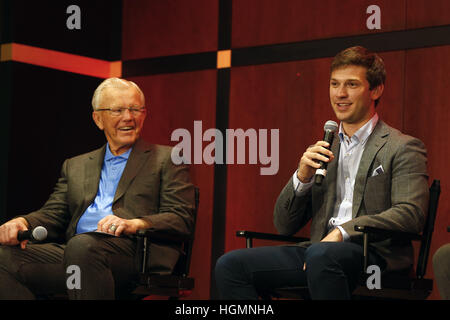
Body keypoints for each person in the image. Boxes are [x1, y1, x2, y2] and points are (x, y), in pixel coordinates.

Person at [215, 46, 429, 299]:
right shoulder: (325, 148)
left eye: (351, 84)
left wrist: (343, 231)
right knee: (230, 265)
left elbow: (410, 213)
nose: (340, 94)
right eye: (334, 84)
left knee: (322, 256)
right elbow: (283, 225)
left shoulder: (402, 146)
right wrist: (301, 178)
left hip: (374, 256)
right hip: (319, 252)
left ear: (376, 90)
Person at [0, 78, 195, 299]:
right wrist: (23, 222)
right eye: (117, 110)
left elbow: (181, 219)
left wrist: (134, 224)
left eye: (134, 109)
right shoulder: (76, 165)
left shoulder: (166, 158)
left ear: (144, 114)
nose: (128, 117)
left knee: (83, 248)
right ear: (98, 119)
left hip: (133, 254)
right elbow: (54, 214)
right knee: (3, 257)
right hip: (76, 254)